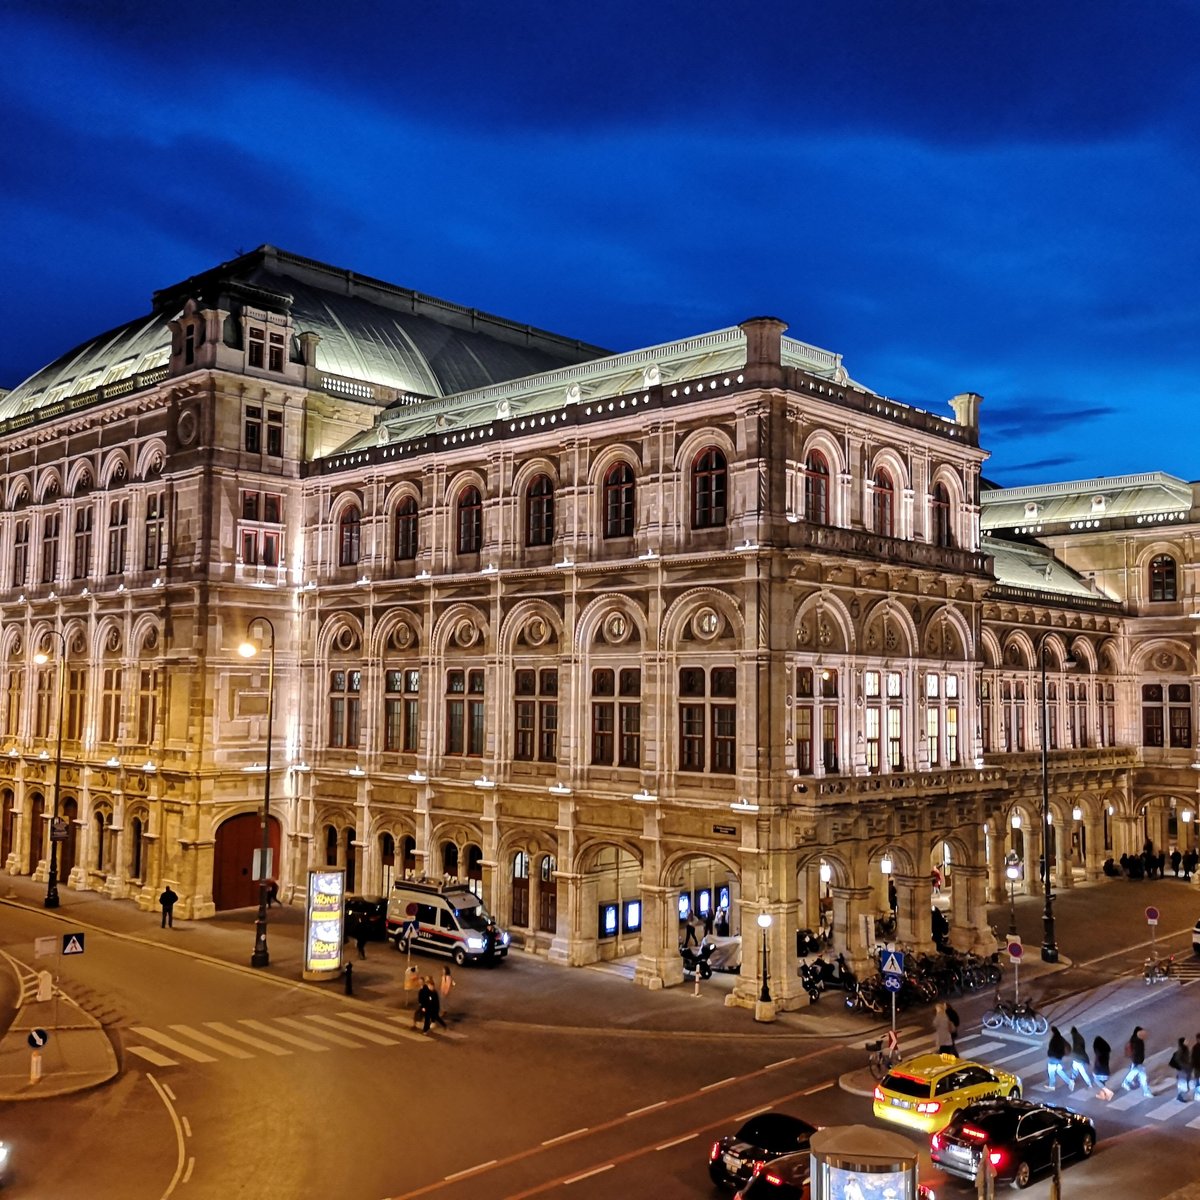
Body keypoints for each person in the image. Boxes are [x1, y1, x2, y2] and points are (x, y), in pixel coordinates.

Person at [1121, 1026, 1152, 1097]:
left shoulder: (1138, 1040)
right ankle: (1146, 1091)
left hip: (1137, 1061)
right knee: (1143, 1077)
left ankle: (1126, 1082)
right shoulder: (1136, 1042)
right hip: (1137, 1062)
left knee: (1134, 1073)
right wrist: (1138, 1062)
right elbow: (1135, 1053)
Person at [1046, 1026, 1072, 1091]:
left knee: (1051, 1072)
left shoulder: (1054, 1039)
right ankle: (1070, 1082)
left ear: (1053, 1032)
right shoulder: (1061, 1038)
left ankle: (1052, 1086)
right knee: (1059, 1071)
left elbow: (1052, 1049)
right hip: (1058, 1058)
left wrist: (1050, 1053)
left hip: (1054, 1057)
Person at [1170, 1036, 1191, 1101]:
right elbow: (1178, 1060)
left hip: (1187, 1069)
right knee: (1183, 1084)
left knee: (1186, 1083)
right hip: (1183, 1070)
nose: (1187, 1042)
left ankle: (1181, 1095)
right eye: (1185, 1041)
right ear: (1182, 1043)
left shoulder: (1186, 1049)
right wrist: (1184, 1066)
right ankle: (1180, 1097)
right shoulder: (1181, 1050)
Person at [1093, 1035, 1113, 1100]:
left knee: (1096, 1080)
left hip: (1101, 1073)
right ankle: (1103, 1094)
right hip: (1106, 1072)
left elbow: (1098, 1064)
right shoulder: (1106, 1052)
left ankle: (1108, 1092)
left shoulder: (1099, 1055)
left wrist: (1094, 1072)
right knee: (1102, 1082)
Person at [1191, 1033, 1200, 1101]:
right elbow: (1193, 1058)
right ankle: (1197, 1094)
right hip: (1197, 1067)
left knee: (1197, 1081)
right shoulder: (1195, 1047)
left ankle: (1197, 1094)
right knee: (1197, 1081)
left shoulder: (1195, 1047)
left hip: (1197, 1067)